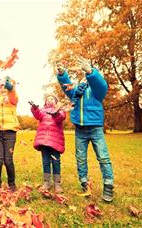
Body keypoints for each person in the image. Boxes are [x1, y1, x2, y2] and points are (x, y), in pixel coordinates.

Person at [56, 58, 114, 202]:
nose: (85, 75)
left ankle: (108, 186)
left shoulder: (97, 91)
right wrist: (62, 74)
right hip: (80, 130)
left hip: (95, 129)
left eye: (87, 71)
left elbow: (101, 84)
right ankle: (84, 183)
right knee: (80, 158)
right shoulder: (77, 90)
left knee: (103, 157)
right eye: (84, 72)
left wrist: (90, 71)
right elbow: (66, 87)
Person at [29, 94, 66, 193]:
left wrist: (55, 113)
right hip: (44, 141)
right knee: (45, 161)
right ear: (45, 102)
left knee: (56, 161)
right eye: (47, 99)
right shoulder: (42, 111)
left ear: (56, 101)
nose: (49, 100)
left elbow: (60, 118)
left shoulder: (60, 110)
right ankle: (47, 182)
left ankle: (57, 183)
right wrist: (35, 108)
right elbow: (38, 115)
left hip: (55, 141)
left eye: (52, 99)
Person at [0, 76, 20, 192]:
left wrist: (10, 88)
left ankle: (12, 184)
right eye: (1, 86)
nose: (3, 88)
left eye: (4, 86)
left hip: (10, 132)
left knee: (8, 160)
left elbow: (14, 95)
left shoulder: (12, 98)